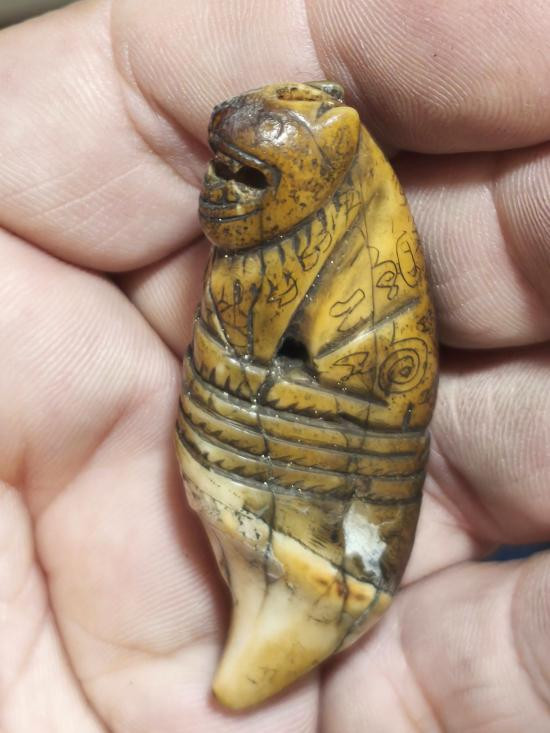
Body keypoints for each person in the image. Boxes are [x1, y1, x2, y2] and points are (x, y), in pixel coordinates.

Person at [0, 1, 549, 730]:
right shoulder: (267, 251)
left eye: (246, 179)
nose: (215, 191)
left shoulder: (353, 254)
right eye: (219, 168)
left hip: (314, 504)